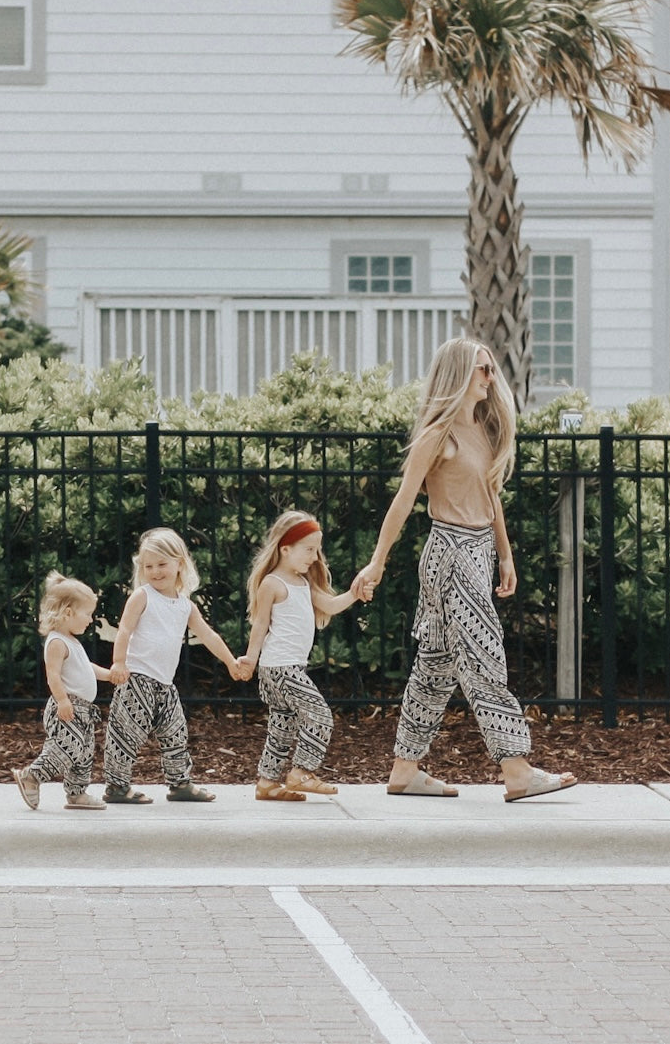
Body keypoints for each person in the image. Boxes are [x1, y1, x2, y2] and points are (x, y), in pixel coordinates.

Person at [351, 337, 577, 801]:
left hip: (477, 551)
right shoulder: (440, 434)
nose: (490, 378)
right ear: (457, 374)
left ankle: (404, 770)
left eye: (492, 369)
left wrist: (506, 554)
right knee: (484, 658)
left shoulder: (481, 428)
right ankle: (516, 770)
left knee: (435, 667)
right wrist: (377, 562)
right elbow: (402, 502)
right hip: (451, 552)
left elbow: (490, 496)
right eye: (481, 369)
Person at [103, 527, 242, 803]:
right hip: (137, 679)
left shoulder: (185, 606)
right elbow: (124, 631)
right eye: (149, 566)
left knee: (176, 732)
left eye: (162, 564)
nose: (155, 572)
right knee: (126, 732)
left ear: (180, 563)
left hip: (165, 684)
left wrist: (230, 661)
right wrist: (119, 662)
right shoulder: (142, 596)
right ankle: (116, 786)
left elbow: (208, 635)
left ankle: (180, 783)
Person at [239, 511, 371, 801]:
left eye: (317, 549)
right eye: (309, 549)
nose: (315, 556)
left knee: (282, 725)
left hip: (287, 667)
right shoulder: (273, 583)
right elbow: (260, 626)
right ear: (285, 548)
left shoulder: (304, 584)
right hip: (280, 668)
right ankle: (302, 772)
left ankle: (267, 782)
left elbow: (332, 605)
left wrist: (354, 593)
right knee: (320, 716)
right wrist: (249, 659)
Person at [12, 572, 110, 811]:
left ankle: (77, 793)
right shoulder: (57, 642)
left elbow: (86, 669)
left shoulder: (72, 642)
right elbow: (53, 676)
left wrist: (109, 675)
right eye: (87, 614)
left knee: (84, 752)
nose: (90, 619)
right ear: (68, 613)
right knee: (66, 749)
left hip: (83, 711)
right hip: (68, 707)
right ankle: (31, 776)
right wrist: (63, 700)